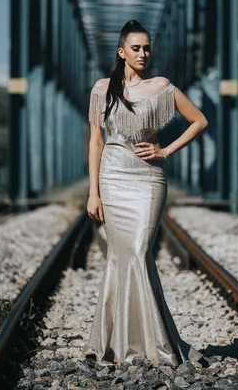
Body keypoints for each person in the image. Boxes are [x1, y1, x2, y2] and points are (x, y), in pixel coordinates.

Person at [86, 19, 209, 367]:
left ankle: (151, 344)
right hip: (112, 178)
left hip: (148, 180)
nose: (143, 53)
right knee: (119, 257)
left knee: (140, 252)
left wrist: (166, 151)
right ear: (121, 52)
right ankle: (114, 345)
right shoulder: (101, 89)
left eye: (147, 47)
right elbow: (96, 141)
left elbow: (199, 120)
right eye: (136, 48)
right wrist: (93, 192)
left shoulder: (161, 87)